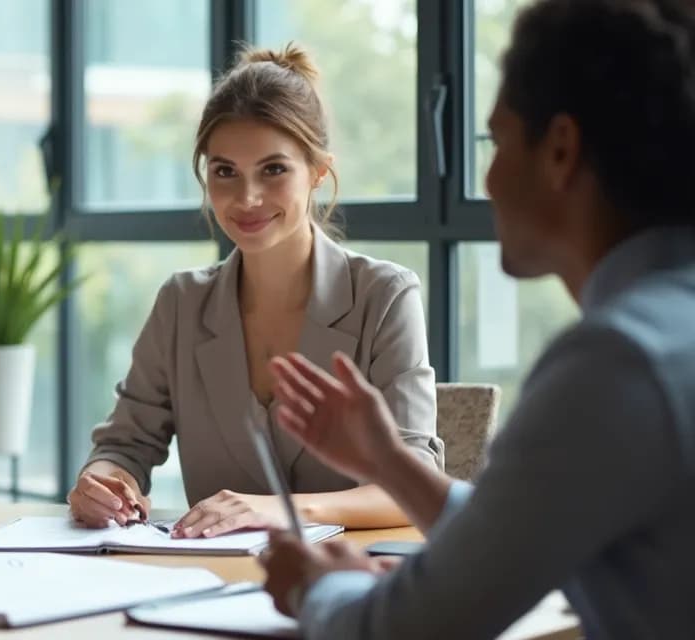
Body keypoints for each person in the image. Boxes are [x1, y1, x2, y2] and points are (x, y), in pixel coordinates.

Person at [260, 0, 695, 637]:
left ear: (560, 150)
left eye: (496, 140)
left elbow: (410, 629)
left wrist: (321, 588)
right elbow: (520, 532)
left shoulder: (626, 362)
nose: (486, 180)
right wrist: (387, 459)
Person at [68, 45, 444, 536]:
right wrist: (101, 485)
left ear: (318, 172)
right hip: (213, 588)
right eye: (225, 172)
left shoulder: (385, 297)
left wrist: (279, 511)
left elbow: (416, 480)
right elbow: (123, 448)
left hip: (354, 585)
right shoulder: (181, 304)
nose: (246, 199)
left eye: (273, 170)